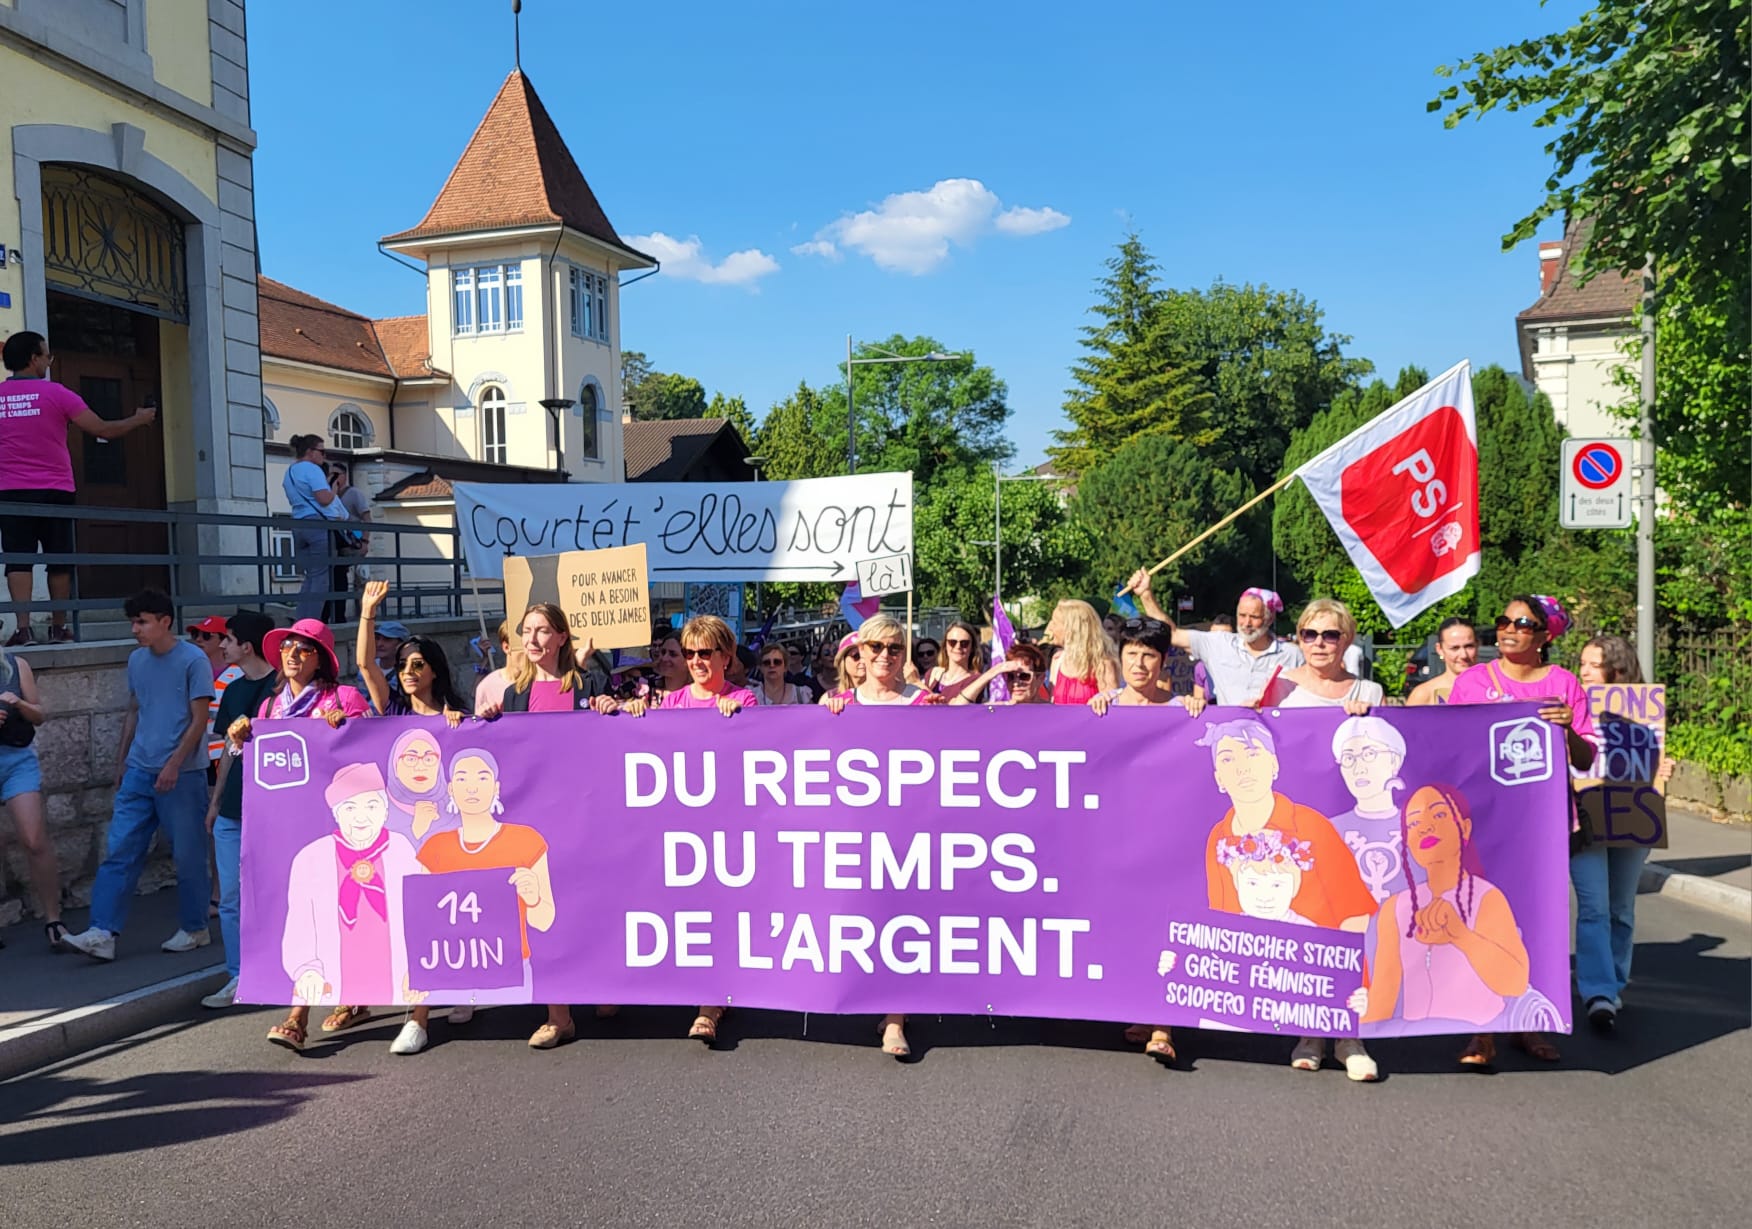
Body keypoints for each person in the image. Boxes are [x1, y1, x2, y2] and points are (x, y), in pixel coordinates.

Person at [1445, 593, 1597, 1068]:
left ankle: (1529, 1023)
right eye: (1503, 620)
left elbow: (1586, 758)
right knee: (1480, 919)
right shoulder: (1472, 682)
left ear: (1545, 635)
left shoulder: (1563, 684)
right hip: (1485, 822)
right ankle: (1482, 1031)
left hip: (1541, 827)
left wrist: (1568, 728)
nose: (1508, 629)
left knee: (1534, 922)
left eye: (1522, 623)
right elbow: (1448, 745)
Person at [223, 616, 370, 1048]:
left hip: (339, 826)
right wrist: (242, 734)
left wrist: (348, 728)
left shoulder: (343, 697)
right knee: (303, 915)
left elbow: (366, 756)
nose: (291, 654)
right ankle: (310, 1008)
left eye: (302, 648)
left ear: (320, 659)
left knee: (345, 913)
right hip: (289, 831)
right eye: (286, 647)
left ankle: (318, 1007)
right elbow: (260, 763)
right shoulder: (271, 708)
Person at [1261, 598, 1384, 1081]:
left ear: (1346, 640)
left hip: (1352, 826)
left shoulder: (1368, 689)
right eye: (1309, 634)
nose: (1318, 644)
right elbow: (1249, 729)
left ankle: (1350, 1036)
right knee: (1306, 923)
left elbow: (1392, 750)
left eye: (1329, 635)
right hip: (1297, 826)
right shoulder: (1281, 686)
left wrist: (1368, 718)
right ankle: (1311, 1029)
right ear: (1297, 638)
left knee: (1352, 925)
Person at [58, 590, 216, 961]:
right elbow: (134, 710)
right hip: (140, 771)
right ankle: (102, 932)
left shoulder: (194, 660)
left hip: (182, 775)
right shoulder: (136, 661)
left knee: (189, 855)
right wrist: (122, 760)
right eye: (133, 622)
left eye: (142, 621)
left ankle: (196, 929)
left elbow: (199, 721)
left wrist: (174, 764)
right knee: (120, 850)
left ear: (165, 621)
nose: (136, 629)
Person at [620, 614, 755, 1042]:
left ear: (725, 656)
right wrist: (628, 712)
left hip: (726, 828)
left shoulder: (745, 701)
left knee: (718, 913)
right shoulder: (672, 704)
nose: (696, 661)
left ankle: (709, 1005)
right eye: (691, 653)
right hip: (679, 829)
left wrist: (739, 720)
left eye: (705, 653)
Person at [1085, 618, 1203, 1065]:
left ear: (1162, 661)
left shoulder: (1180, 709)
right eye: (1131, 653)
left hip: (1167, 840)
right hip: (1115, 838)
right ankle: (1141, 1009)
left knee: (1163, 927)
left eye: (1148, 655)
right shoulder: (1105, 706)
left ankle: (1161, 1024)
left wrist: (1197, 711)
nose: (1138, 663)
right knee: (1127, 926)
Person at [824, 613, 941, 1059]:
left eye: (895, 648)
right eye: (876, 648)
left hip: (908, 831)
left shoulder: (921, 701)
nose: (885, 656)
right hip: (855, 832)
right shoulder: (840, 703)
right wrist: (828, 718)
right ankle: (868, 996)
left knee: (903, 920)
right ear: (860, 652)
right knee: (863, 919)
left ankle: (896, 1018)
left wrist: (941, 721)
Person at [1, 331, 158, 645]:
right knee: (60, 559)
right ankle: (59, 628)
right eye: (47, 356)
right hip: (56, 489)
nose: (48, 361)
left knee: (18, 559)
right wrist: (139, 419)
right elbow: (102, 429)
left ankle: (22, 630)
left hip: (11, 491)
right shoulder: (57, 394)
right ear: (34, 359)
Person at [406, 748, 562, 1050]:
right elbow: (422, 923)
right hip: (454, 964)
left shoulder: (526, 839)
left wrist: (532, 897)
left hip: (516, 967)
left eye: (482, 777)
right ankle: (418, 1020)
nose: (472, 787)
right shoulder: (436, 846)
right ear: (451, 789)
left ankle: (558, 1017)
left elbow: (546, 920)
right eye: (462, 778)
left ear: (496, 786)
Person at [1351, 784, 1532, 1034]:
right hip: (1411, 1033)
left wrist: (1462, 937)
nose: (1425, 827)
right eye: (1413, 824)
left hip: (1473, 1029)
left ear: (1465, 829)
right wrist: (1351, 1036)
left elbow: (1516, 983)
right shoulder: (1396, 907)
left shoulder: (1487, 897)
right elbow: (1385, 990)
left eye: (1439, 815)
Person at [1572, 633, 1663, 1035]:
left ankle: (1615, 980)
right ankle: (1597, 992)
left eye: (1593, 664)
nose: (1584, 671)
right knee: (1593, 906)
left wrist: (1664, 772)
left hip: (1632, 815)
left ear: (1617, 669)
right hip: (1585, 816)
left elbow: (1652, 759)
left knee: (1621, 909)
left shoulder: (1645, 711)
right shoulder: (1572, 705)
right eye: (1583, 663)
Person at [199, 611, 281, 1008]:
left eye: (228, 639)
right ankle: (238, 974)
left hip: (271, 810)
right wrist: (215, 802)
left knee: (273, 892)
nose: (223, 645)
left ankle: (281, 967)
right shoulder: (231, 692)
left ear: (247, 646)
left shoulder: (279, 689)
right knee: (231, 898)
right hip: (232, 807)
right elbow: (229, 753)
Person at [1125, 571, 1302, 707]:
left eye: (1254, 617)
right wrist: (1146, 595)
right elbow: (1173, 634)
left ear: (1270, 618)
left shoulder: (1293, 655)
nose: (1246, 623)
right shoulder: (1218, 643)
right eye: (1242, 615)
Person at [0, 641, 63, 946]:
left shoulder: (16, 664)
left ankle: (53, 919)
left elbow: (39, 714)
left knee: (34, 839)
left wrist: (19, 704)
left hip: (16, 758)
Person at [477, 603, 617, 717]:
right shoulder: (513, 694)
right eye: (526, 631)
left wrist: (613, 708)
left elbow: (616, 736)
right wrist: (486, 720)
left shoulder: (593, 685)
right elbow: (510, 744)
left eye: (542, 631)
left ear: (562, 638)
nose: (532, 640)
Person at [1328, 715, 1410, 904]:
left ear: (1394, 761)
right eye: (1348, 758)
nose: (1359, 769)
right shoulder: (1329, 829)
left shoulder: (1419, 827)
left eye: (1369, 754)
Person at [281, 434, 349, 622]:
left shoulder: (290, 471)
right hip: (317, 526)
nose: (324, 455)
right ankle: (312, 623)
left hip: (298, 525)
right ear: (310, 452)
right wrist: (333, 489)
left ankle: (302, 619)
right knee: (321, 579)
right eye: (322, 451)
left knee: (309, 577)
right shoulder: (312, 469)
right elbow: (324, 499)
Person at [1044, 600, 1118, 706]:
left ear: (1071, 629)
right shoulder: (1057, 660)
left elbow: (1111, 706)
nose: (1050, 628)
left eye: (1055, 623)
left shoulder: (1103, 664)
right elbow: (1051, 703)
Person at [328, 466, 371, 623]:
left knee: (351, 577)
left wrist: (365, 541)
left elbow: (367, 518)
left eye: (336, 474)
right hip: (337, 541)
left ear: (344, 476)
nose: (332, 477)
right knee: (335, 575)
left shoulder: (354, 494)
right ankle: (335, 614)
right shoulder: (329, 495)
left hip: (352, 540)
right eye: (330, 474)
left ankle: (357, 616)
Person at [948, 641, 1051, 705]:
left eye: (1024, 676)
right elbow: (957, 709)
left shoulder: (1052, 712)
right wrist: (994, 671)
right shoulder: (997, 710)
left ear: (1040, 678)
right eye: (1010, 676)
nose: (1016, 683)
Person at [1407, 617, 1480, 706]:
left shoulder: (1494, 689)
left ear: (1478, 645)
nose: (1463, 655)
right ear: (1439, 649)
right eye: (1454, 648)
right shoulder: (1424, 695)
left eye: (1469, 646)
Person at [360, 616, 411, 715]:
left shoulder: (407, 672)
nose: (379, 644)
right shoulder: (366, 669)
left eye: (387, 640)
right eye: (377, 639)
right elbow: (362, 697)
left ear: (401, 644)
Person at [926, 621, 987, 702]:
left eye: (964, 643)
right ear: (945, 645)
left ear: (972, 648)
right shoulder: (932, 674)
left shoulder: (975, 680)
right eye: (952, 642)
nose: (958, 647)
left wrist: (916, 681)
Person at [473, 618, 524, 713]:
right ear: (506, 647)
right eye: (523, 646)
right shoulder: (486, 686)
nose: (529, 652)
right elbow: (479, 724)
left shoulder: (539, 683)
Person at [1191, 615, 1233, 705]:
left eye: (1224, 637)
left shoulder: (1246, 665)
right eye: (1213, 637)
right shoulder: (1201, 667)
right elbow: (1198, 702)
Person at [816, 634, 865, 705]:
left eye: (866, 656)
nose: (863, 661)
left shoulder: (883, 696)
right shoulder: (830, 698)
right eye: (856, 656)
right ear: (843, 662)